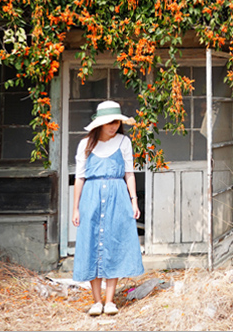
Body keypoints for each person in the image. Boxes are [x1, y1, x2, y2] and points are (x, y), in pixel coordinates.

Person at [72, 100, 144, 316]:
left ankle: (110, 301)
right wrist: (75, 208)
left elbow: (129, 173)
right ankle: (96, 301)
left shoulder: (124, 142)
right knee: (92, 244)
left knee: (113, 243)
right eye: (109, 122)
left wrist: (134, 201)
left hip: (117, 196)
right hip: (91, 197)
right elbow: (79, 178)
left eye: (116, 122)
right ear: (100, 124)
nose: (113, 126)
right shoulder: (85, 144)